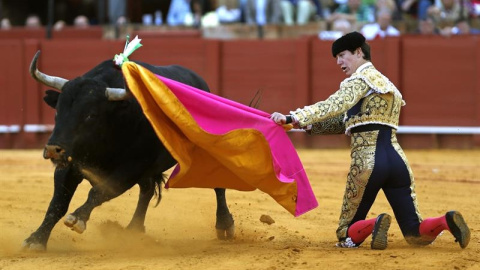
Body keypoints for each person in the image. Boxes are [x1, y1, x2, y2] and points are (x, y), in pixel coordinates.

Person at [270, 31, 471, 250]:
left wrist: (294, 117)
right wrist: (304, 125)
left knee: (346, 232)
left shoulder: (359, 80)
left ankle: (374, 224)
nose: (338, 61)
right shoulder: (387, 84)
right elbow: (346, 121)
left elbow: (334, 104)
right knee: (414, 231)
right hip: (398, 161)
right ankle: (444, 221)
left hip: (367, 162)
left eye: (342, 55)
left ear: (358, 52)